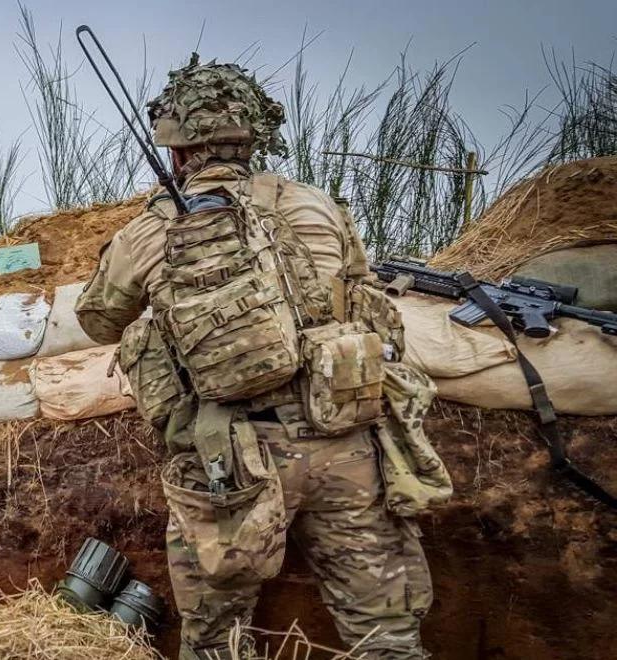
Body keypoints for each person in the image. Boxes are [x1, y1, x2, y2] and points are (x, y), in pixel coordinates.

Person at [75, 57, 435, 659]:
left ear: (177, 152)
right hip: (344, 444)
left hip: (228, 460)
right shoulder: (318, 206)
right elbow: (363, 294)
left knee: (216, 639)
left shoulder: (151, 229)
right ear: (252, 138)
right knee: (387, 636)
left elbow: (97, 319)